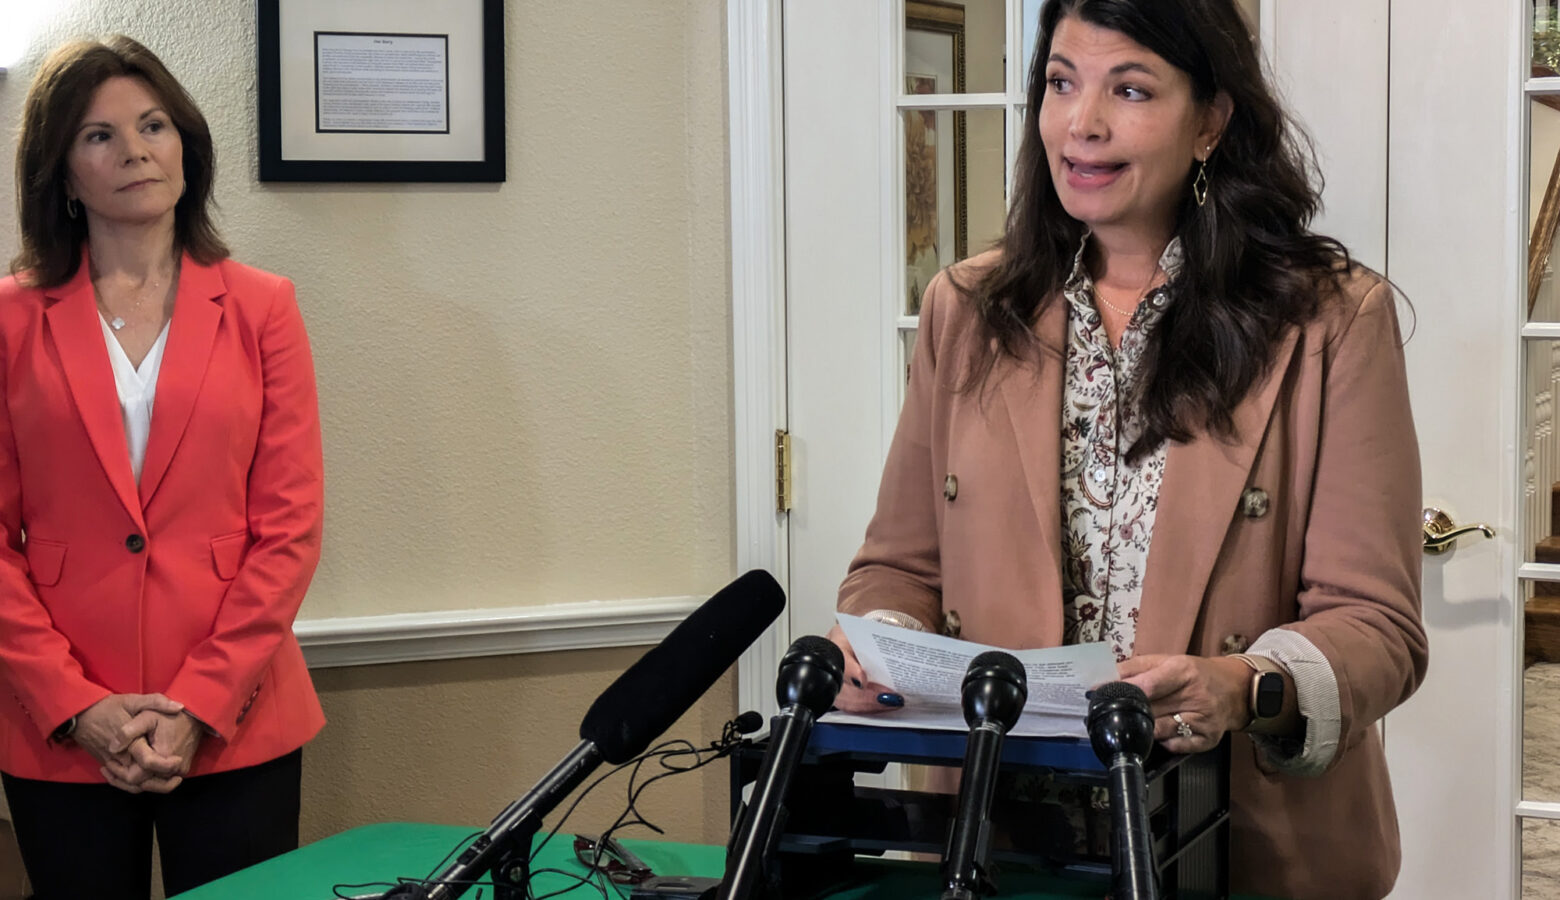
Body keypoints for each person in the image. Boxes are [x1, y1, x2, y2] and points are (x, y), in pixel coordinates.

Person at [827, 2, 1426, 898]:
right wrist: (879, 645)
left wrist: (1245, 684)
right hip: (1004, 844)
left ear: (1211, 123)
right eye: (1061, 83)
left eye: (1131, 89)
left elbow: (1378, 626)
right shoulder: (967, 310)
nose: (1083, 123)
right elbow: (897, 570)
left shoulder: (1330, 320)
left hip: (1244, 847)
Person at [0, 36, 325, 898]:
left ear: (187, 145)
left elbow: (288, 530)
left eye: (153, 125)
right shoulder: (8, 319)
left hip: (234, 720)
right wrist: (78, 707)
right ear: (63, 174)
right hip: (58, 726)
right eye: (99, 136)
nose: (136, 149)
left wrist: (200, 705)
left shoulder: (264, 308)